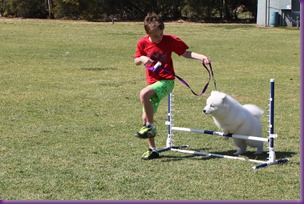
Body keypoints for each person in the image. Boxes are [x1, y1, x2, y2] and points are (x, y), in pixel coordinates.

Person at [134, 12, 210, 160]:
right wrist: (142, 58)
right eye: (155, 37)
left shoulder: (170, 40)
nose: (159, 38)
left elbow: (185, 53)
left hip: (167, 82)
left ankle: (150, 127)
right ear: (147, 33)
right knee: (145, 117)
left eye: (161, 34)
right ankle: (153, 150)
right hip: (152, 83)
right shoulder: (142, 43)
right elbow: (136, 61)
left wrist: (201, 57)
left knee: (143, 95)